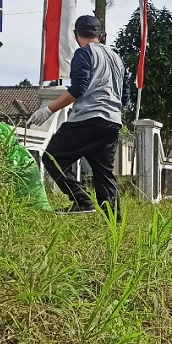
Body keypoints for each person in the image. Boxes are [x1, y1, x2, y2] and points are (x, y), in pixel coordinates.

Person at [29, 15, 124, 217]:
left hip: (89, 118)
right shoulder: (117, 59)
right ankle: (115, 224)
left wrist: (48, 109)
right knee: (104, 173)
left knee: (53, 157)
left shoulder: (84, 53)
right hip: (113, 122)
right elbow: (125, 95)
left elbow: (79, 88)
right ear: (101, 35)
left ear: (75, 35)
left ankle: (82, 201)